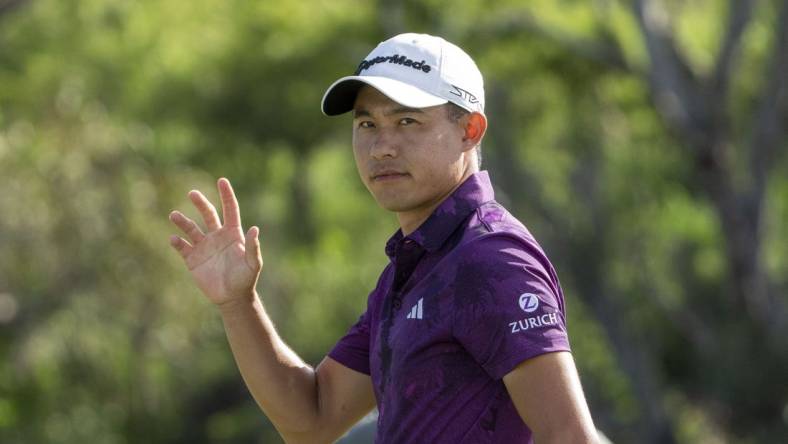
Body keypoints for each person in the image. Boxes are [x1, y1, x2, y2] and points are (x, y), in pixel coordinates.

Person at [168, 33, 598, 443]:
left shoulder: (491, 258)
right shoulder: (413, 268)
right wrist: (238, 304)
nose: (381, 148)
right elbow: (311, 421)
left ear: (470, 129)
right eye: (367, 123)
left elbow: (571, 437)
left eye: (407, 120)